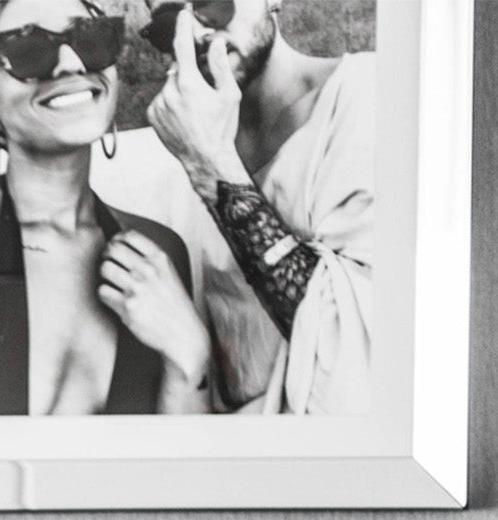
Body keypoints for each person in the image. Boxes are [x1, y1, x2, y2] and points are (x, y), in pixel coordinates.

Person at [0, 0, 213, 414]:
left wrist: (192, 357)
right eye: (28, 49)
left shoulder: (157, 253)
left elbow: (179, 449)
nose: (71, 64)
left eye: (91, 39)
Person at [145, 0, 373, 414]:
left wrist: (211, 164)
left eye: (212, 3)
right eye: (169, 21)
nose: (194, 33)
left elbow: (354, 359)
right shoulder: (179, 144)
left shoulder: (365, 95)